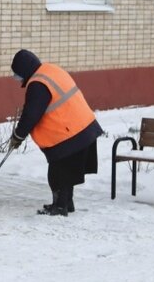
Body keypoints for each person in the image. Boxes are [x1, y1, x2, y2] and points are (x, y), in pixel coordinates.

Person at [9, 49, 103, 216]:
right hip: (83, 126)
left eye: (17, 74)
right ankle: (66, 203)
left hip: (68, 133)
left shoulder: (38, 84)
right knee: (67, 169)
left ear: (24, 70)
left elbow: (31, 114)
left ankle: (60, 207)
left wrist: (18, 136)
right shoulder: (51, 70)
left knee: (58, 173)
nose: (17, 79)